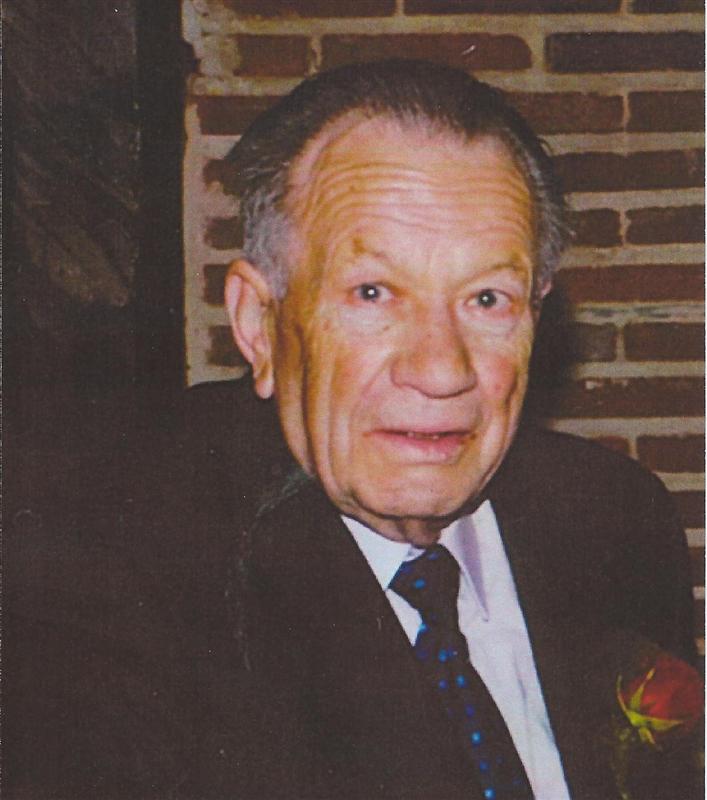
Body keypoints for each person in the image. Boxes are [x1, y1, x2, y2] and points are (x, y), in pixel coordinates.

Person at [5, 59, 698, 800]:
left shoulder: (613, 517)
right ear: (259, 322)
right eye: (373, 293)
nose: (441, 370)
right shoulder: (103, 567)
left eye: (487, 299)